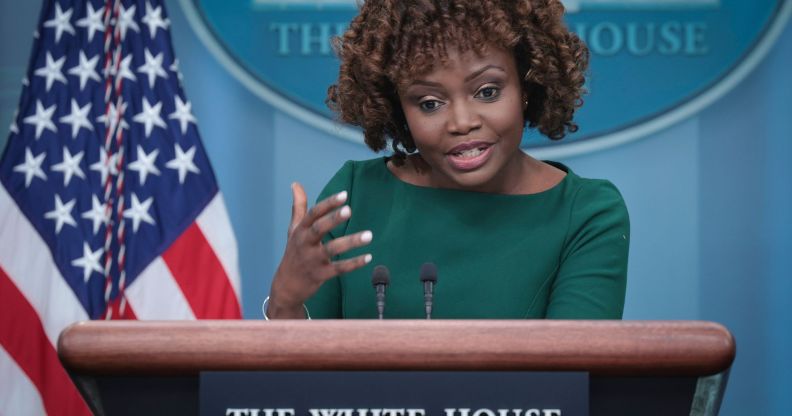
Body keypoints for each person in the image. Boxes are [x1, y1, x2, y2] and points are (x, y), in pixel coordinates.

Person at [265, 0, 629, 320]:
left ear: (528, 84)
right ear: (397, 108)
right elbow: (297, 383)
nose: (461, 122)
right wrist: (285, 301)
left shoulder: (586, 213)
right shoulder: (356, 195)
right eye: (429, 103)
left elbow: (571, 384)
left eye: (487, 91)